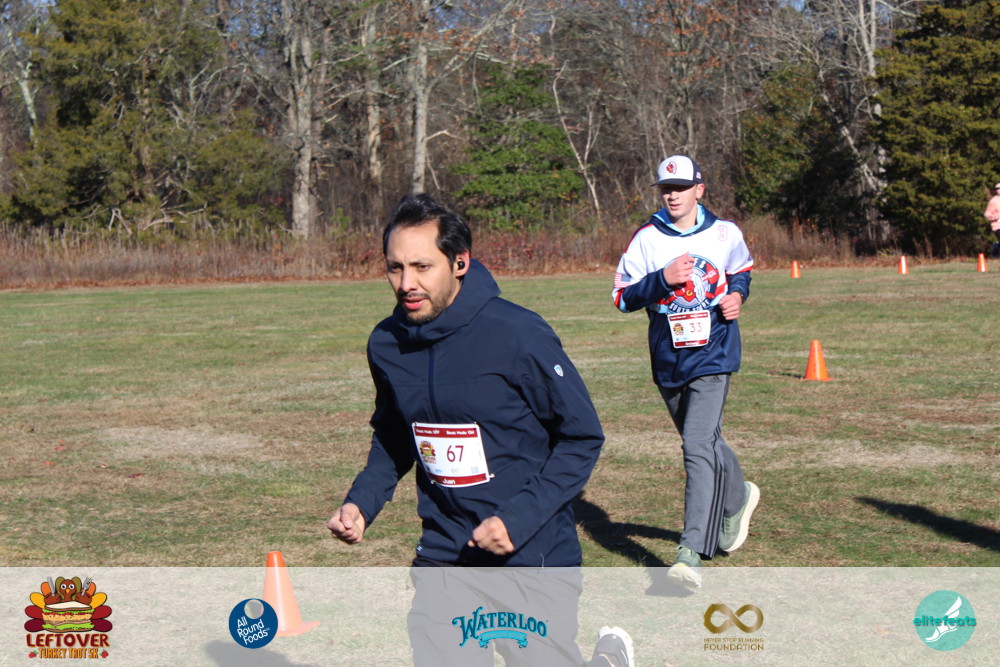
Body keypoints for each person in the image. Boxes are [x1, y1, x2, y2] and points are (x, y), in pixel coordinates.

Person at [328, 193, 633, 667]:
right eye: (395, 268)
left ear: (460, 263)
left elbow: (581, 436)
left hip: (531, 553)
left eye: (422, 267)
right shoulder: (386, 343)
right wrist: (361, 502)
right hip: (446, 550)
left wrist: (518, 520)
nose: (406, 284)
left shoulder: (517, 333)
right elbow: (394, 434)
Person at [611, 155, 760, 591]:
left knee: (696, 445)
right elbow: (621, 298)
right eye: (666, 188)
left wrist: (737, 296)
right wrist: (661, 278)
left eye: (680, 187)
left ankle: (690, 552)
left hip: (715, 352)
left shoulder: (725, 232)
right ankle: (738, 496)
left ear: (699, 189)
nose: (672, 195)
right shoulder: (647, 238)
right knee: (705, 441)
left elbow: (741, 270)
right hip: (669, 357)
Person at [983, 182, 1000, 258]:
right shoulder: (993, 201)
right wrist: (997, 216)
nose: (999, 190)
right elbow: (987, 214)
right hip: (997, 226)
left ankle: (997, 245)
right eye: (997, 188)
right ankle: (997, 246)